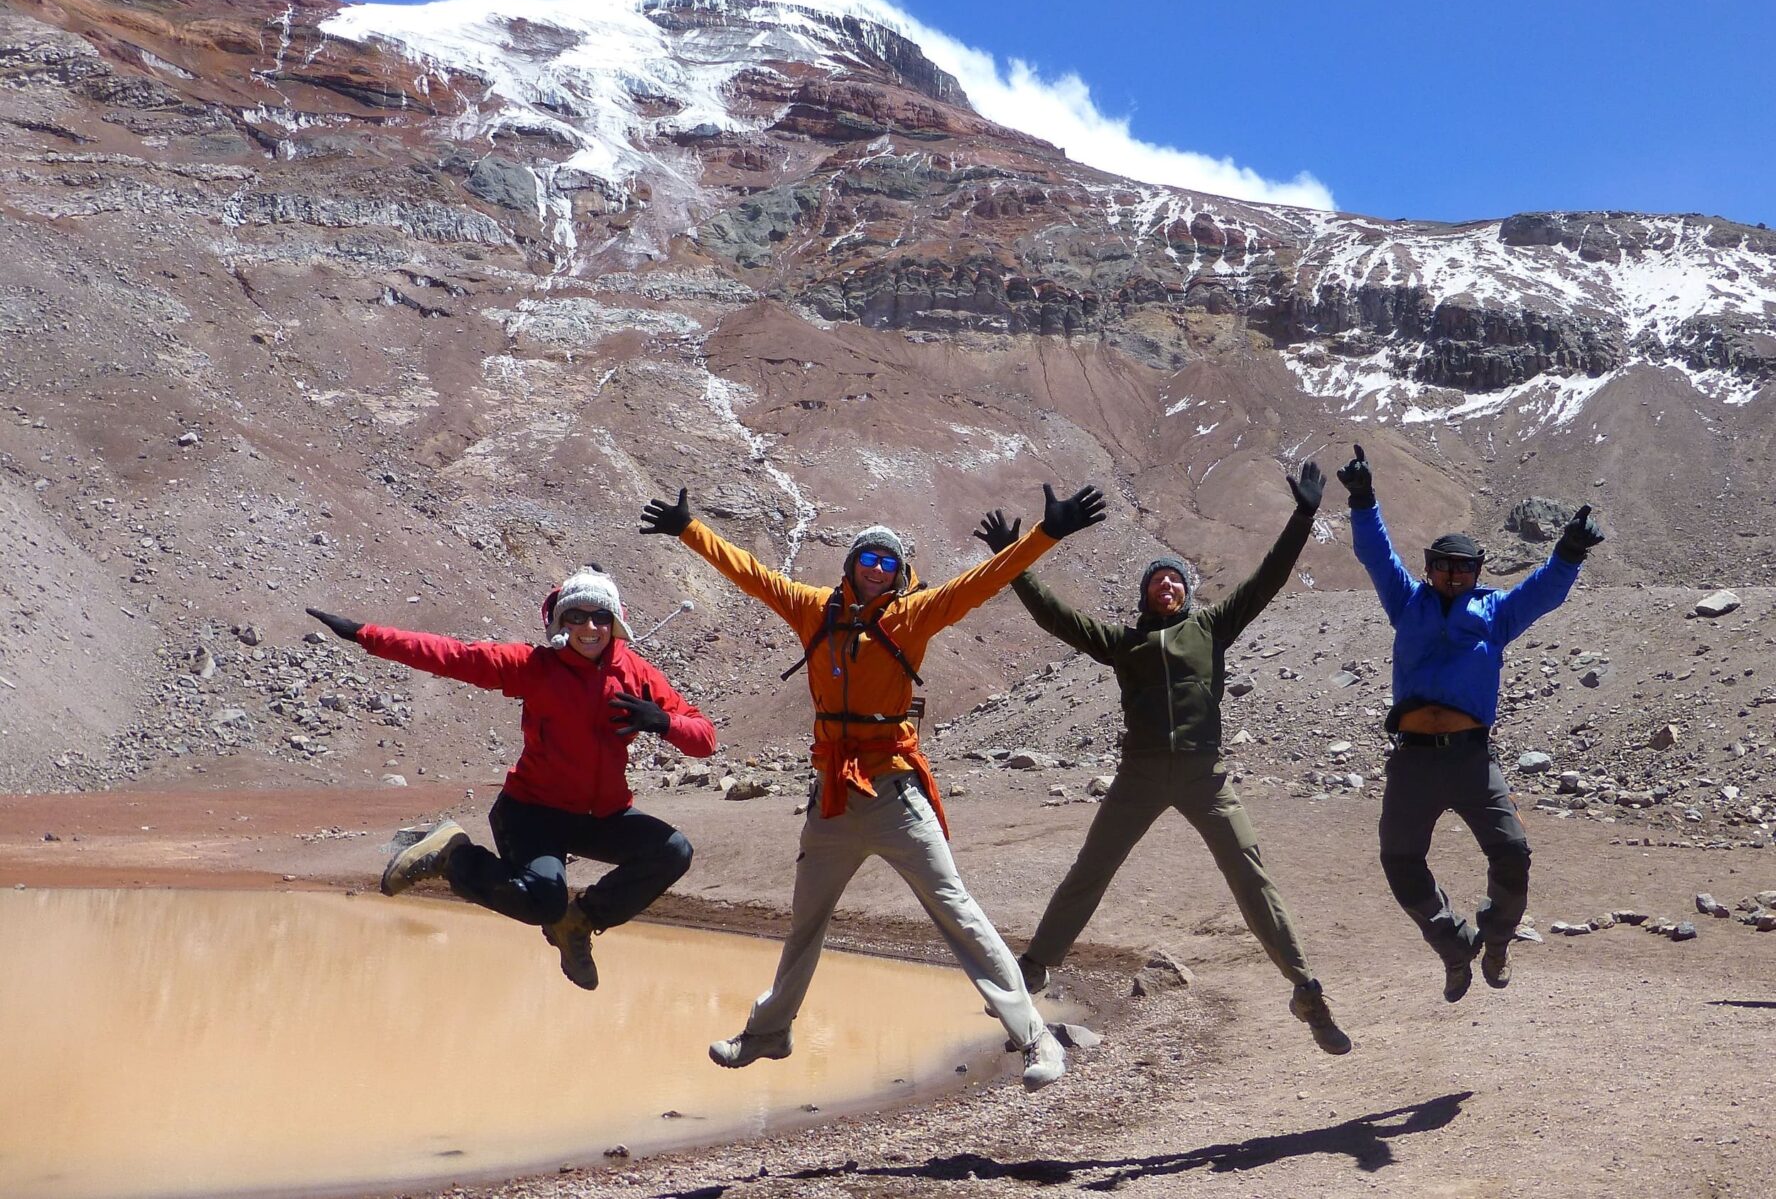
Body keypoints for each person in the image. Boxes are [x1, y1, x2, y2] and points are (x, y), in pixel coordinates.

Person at [638, 483, 1105, 1091]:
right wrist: (688, 529)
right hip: (832, 797)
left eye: (888, 561)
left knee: (957, 910)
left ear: (899, 571)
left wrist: (1047, 535)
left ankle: (1035, 1038)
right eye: (868, 558)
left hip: (894, 794)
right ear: (852, 565)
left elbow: (982, 582)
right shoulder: (814, 609)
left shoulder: (914, 615)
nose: (878, 569)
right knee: (806, 921)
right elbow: (752, 575)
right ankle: (770, 1031)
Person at [978, 460, 1353, 1056]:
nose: (1168, 586)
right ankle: (1036, 967)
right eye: (1158, 581)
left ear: (1187, 593)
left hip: (1206, 775)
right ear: (1145, 595)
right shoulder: (1122, 643)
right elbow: (1054, 616)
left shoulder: (1211, 628)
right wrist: (1015, 561)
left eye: (1175, 580)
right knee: (1091, 869)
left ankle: (1306, 990)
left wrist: (1303, 515)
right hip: (1141, 775)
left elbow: (1268, 579)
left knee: (1250, 877)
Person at [304, 564, 716, 991]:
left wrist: (664, 722)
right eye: (577, 616)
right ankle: (452, 856)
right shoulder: (534, 667)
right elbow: (453, 656)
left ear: (615, 622)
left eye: (600, 617)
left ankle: (578, 922)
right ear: (561, 622)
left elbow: (705, 739)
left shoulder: (637, 675)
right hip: (531, 814)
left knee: (672, 851)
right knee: (542, 901)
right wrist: (365, 635)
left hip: (599, 816)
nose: (590, 628)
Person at [1336, 443, 1604, 1001]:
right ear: (1429, 568)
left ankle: (1497, 938)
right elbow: (1376, 555)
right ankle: (1453, 945)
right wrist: (1362, 499)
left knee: (1513, 854)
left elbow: (1542, 592)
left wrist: (1569, 551)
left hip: (1471, 759)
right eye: (1443, 565)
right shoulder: (1406, 602)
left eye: (1463, 567)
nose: (1453, 574)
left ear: (1477, 571)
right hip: (1412, 759)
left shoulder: (1495, 613)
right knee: (1399, 860)